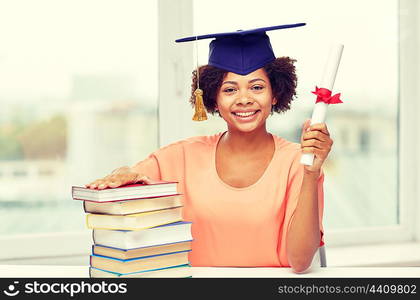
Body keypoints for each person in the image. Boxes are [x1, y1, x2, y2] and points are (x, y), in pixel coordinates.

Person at [85, 24, 334, 273]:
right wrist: (121, 174)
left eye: (257, 87)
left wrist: (311, 174)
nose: (244, 98)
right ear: (213, 98)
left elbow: (301, 262)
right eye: (230, 89)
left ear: (276, 94)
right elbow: (132, 176)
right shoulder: (181, 157)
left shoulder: (299, 163)